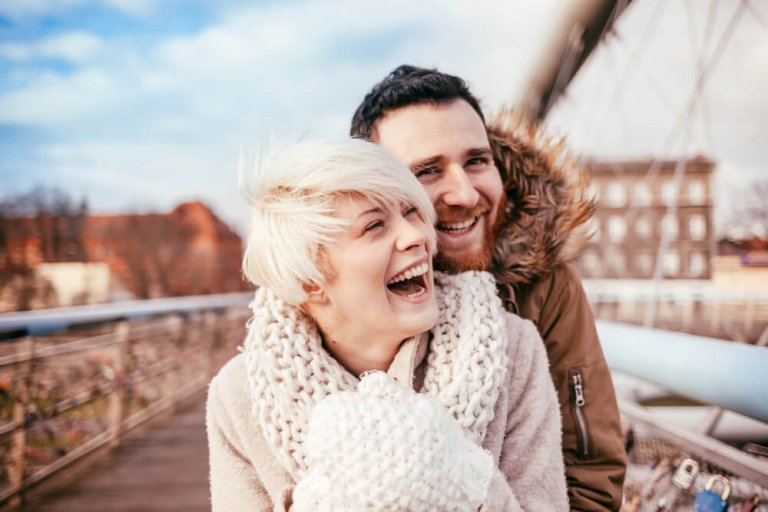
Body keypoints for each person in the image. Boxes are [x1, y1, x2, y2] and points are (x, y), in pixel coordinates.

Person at [205, 139, 569, 511]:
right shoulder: (238, 397)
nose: (418, 236)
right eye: (375, 226)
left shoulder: (512, 348)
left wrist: (459, 473)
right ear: (309, 281)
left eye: (412, 212)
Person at [351, 65, 627, 511]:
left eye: (476, 160)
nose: (464, 193)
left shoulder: (544, 285)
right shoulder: (337, 289)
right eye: (426, 171)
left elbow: (591, 475)